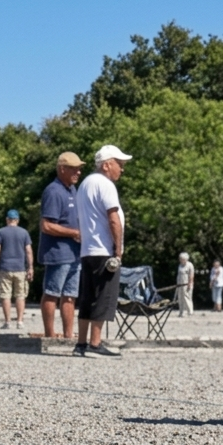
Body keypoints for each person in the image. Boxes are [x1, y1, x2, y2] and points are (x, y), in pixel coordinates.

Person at [74, 144, 130, 357]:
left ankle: (81, 343)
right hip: (103, 249)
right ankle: (95, 344)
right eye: (119, 164)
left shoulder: (85, 184)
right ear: (107, 165)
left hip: (88, 249)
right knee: (103, 296)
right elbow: (113, 219)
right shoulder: (105, 185)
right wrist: (118, 248)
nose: (122, 169)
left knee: (87, 297)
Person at [39, 152, 84, 340]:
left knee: (70, 295)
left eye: (80, 168)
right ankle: (49, 335)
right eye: (74, 168)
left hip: (74, 254)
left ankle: (68, 335)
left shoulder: (72, 190)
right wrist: (74, 233)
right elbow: (46, 225)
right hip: (58, 253)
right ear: (62, 169)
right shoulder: (53, 191)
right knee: (52, 293)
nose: (78, 172)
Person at [0, 209, 33, 329]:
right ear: (17, 220)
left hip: (5, 268)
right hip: (20, 268)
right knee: (20, 295)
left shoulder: (0, 232)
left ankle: (7, 322)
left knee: (5, 295)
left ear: (7, 220)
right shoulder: (24, 233)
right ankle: (20, 321)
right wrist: (30, 267)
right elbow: (29, 251)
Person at [175, 253, 195, 317]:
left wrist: (190, 283)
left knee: (187, 297)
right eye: (180, 259)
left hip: (186, 283)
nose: (180, 260)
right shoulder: (180, 265)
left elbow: (191, 275)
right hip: (180, 283)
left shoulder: (190, 265)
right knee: (180, 297)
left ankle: (190, 311)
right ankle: (181, 312)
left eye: (182, 259)